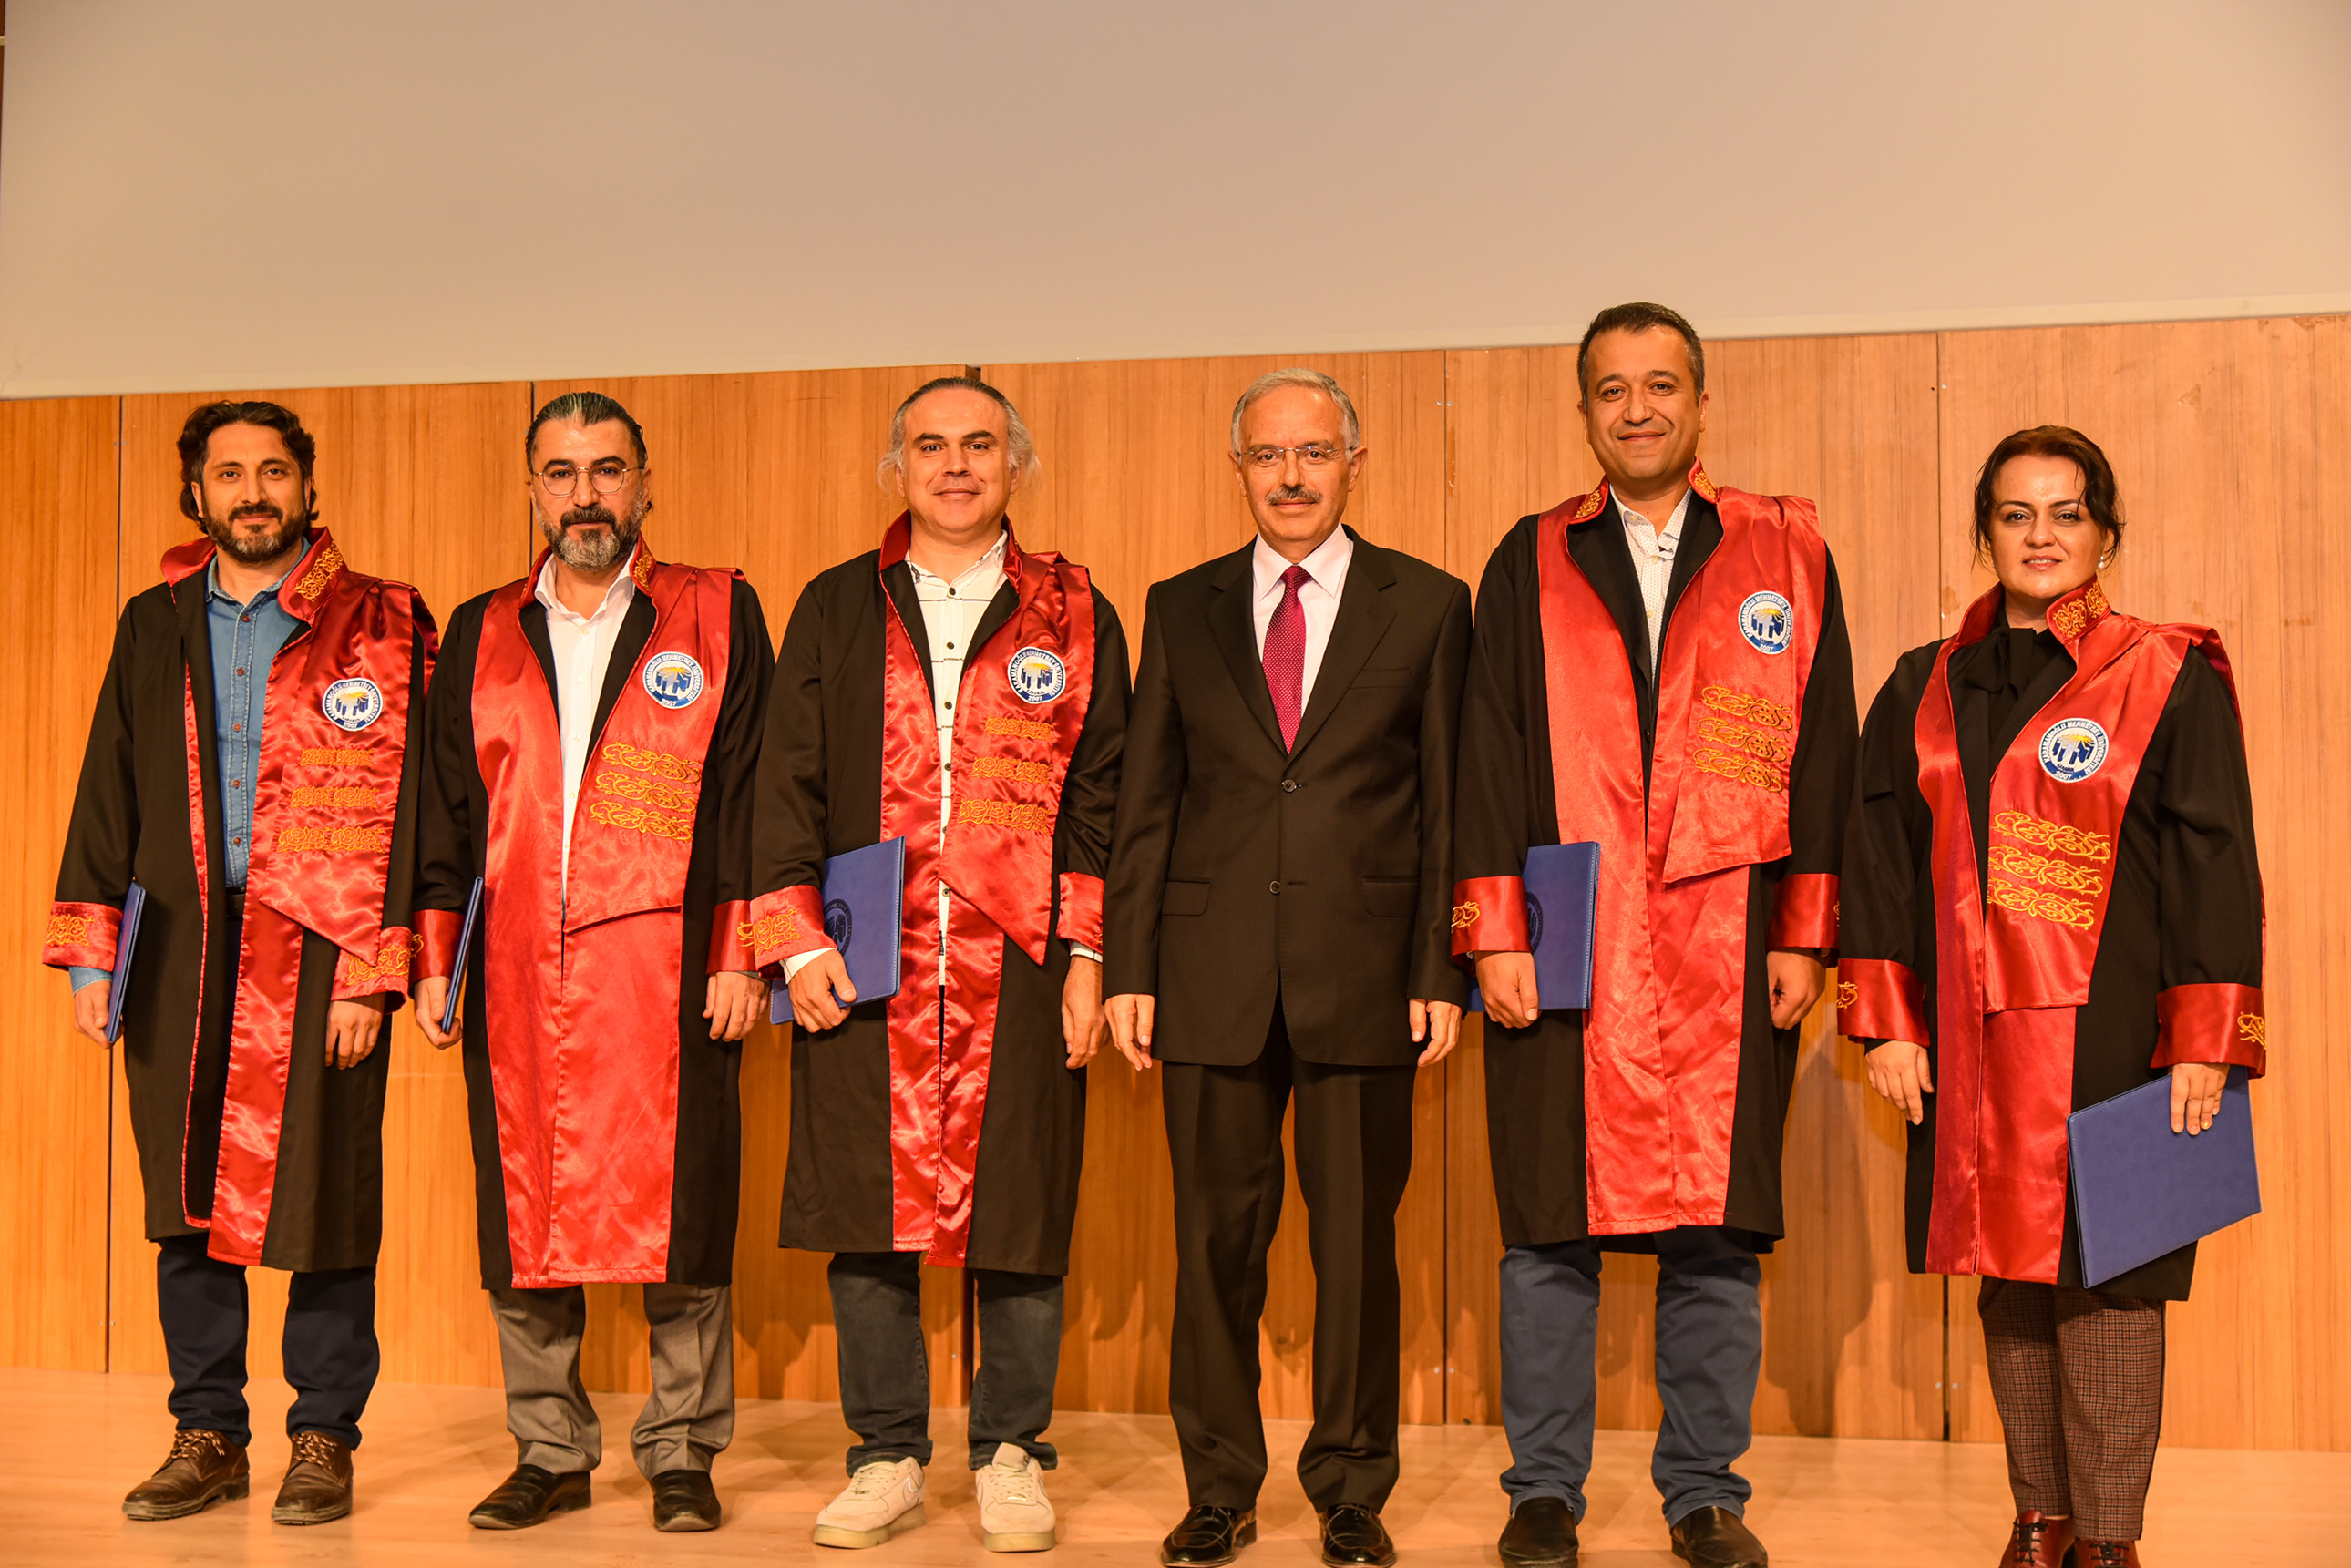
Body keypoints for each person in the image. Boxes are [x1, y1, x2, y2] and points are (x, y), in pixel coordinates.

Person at [1452, 303, 1857, 1568]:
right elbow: (1487, 752)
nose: (1638, 409)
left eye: (1661, 385)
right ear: (1586, 411)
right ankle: (1543, 1491)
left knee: (1716, 1229)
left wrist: (1805, 930)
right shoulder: (1530, 556)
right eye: (1612, 389)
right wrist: (1494, 932)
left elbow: (1826, 747)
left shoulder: (1784, 549)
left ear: (1700, 402)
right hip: (1568, 933)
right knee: (1548, 1225)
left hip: (1728, 935)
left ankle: (1704, 1491)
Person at [1841, 426, 2264, 1568]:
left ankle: (2110, 1536)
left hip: (2123, 1032)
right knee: (2010, 1272)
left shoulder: (2165, 671)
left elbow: (2215, 857)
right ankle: (2042, 1516)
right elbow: (1879, 858)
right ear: (1984, 531)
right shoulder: (1924, 684)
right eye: (2016, 514)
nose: (2041, 535)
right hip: (1970, 1036)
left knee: (2116, 1277)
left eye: (2067, 513)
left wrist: (2206, 1037)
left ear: (2106, 532)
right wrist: (1887, 1022)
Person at [748, 374, 1127, 1553]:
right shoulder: (835, 604)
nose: (955, 465)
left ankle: (1011, 1451)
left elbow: (1104, 796)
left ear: (1016, 464)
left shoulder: (1074, 610)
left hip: (1022, 954)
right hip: (869, 950)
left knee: (1020, 1205)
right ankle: (886, 1453)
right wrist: (793, 938)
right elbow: (786, 779)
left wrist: (1088, 953)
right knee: (869, 1208)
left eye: (978, 444)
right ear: (897, 467)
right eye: (930, 445)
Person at [44, 401, 435, 1526]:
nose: (253, 491)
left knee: (328, 1191)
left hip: (321, 939)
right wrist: (93, 959)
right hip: (181, 938)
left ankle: (323, 1436)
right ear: (197, 494)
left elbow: (415, 806)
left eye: (273, 471)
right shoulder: (154, 620)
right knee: (184, 1195)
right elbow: (108, 784)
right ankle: (208, 1430)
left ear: (307, 487)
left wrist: (372, 966)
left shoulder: (386, 620)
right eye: (229, 474)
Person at [1105, 368, 1471, 1568]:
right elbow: (1147, 803)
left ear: (1354, 462)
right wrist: (1128, 966)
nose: (1293, 476)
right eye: (1269, 455)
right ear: (1239, 469)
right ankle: (1217, 1486)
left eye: (1315, 452)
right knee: (1213, 1246)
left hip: (1366, 976)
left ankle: (1352, 1488)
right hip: (1206, 977)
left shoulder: (1428, 604)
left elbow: (1448, 805)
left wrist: (1442, 967)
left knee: (1358, 1250)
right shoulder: (1181, 606)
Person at [408, 391, 773, 1533]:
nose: (585, 496)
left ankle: (682, 1449)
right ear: (532, 489)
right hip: (517, 969)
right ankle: (551, 1447)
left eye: (607, 470)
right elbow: (442, 808)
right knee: (524, 1212)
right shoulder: (480, 628)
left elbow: (751, 795)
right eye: (561, 473)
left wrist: (741, 951)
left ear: (644, 483)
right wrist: (434, 955)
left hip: (672, 970)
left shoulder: (714, 612)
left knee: (685, 1211)